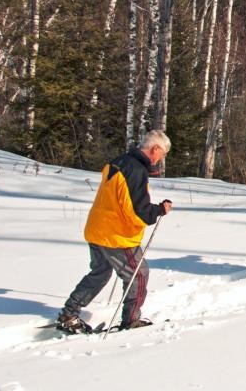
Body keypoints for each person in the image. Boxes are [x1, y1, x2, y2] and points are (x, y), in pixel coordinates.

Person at [56, 130, 173, 333]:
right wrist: (160, 210)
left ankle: (69, 313)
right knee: (139, 274)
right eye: (162, 155)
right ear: (155, 149)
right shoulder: (136, 170)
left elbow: (122, 199)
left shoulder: (121, 161)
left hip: (98, 228)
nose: (160, 160)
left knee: (100, 273)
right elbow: (139, 212)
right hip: (117, 235)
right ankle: (131, 319)